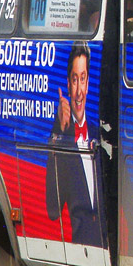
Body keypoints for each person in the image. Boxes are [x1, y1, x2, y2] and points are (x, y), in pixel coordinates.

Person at [46, 41, 103, 247]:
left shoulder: (102, 132)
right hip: (83, 251)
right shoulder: (61, 136)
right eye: (74, 80)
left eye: (83, 79)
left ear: (88, 84)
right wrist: (58, 132)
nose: (79, 91)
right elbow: (53, 209)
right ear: (68, 85)